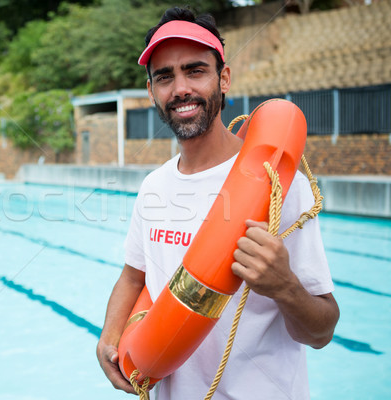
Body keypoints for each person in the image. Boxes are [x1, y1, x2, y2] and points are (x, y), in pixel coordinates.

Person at [96, 8, 340, 400]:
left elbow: (322, 332)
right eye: (164, 77)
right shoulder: (153, 187)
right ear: (151, 92)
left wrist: (285, 287)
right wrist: (107, 339)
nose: (180, 89)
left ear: (223, 79)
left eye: (195, 71)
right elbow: (133, 277)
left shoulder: (280, 185)